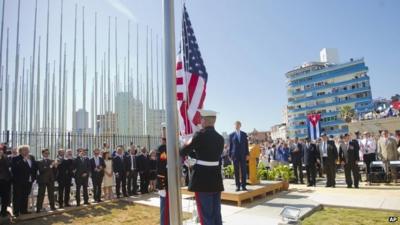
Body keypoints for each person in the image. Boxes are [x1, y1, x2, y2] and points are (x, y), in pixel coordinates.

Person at [180, 109, 224, 225]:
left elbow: (183, 151)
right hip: (216, 178)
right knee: (216, 214)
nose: (200, 121)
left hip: (202, 179)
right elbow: (208, 153)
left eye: (201, 119)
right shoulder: (220, 138)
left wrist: (184, 142)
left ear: (204, 120)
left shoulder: (199, 135)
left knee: (205, 215)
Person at [11, 145, 37, 216]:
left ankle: (24, 210)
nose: (27, 151)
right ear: (20, 151)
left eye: (27, 150)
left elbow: (34, 168)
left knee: (25, 196)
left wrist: (34, 178)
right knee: (17, 197)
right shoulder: (15, 158)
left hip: (29, 181)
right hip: (19, 182)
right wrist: (24, 160)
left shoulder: (32, 157)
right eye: (24, 150)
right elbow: (14, 169)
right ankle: (16, 212)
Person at [229, 121, 249, 192]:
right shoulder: (231, 135)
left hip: (243, 154)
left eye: (238, 125)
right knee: (236, 171)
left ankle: (244, 186)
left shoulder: (244, 134)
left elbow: (246, 145)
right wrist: (230, 155)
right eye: (235, 125)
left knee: (244, 170)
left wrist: (247, 154)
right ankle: (237, 186)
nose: (237, 126)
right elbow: (230, 146)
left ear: (240, 126)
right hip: (235, 155)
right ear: (234, 126)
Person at [157, 137, 169, 225]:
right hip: (165, 183)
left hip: (171, 183)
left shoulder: (171, 147)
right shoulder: (163, 149)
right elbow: (161, 167)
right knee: (165, 209)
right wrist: (161, 185)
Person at [0, 144, 12, 217]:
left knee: (5, 197)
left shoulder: (5, 157)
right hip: (3, 179)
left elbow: (8, 165)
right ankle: (3, 212)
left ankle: (3, 211)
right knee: (4, 196)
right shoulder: (4, 157)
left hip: (5, 179)